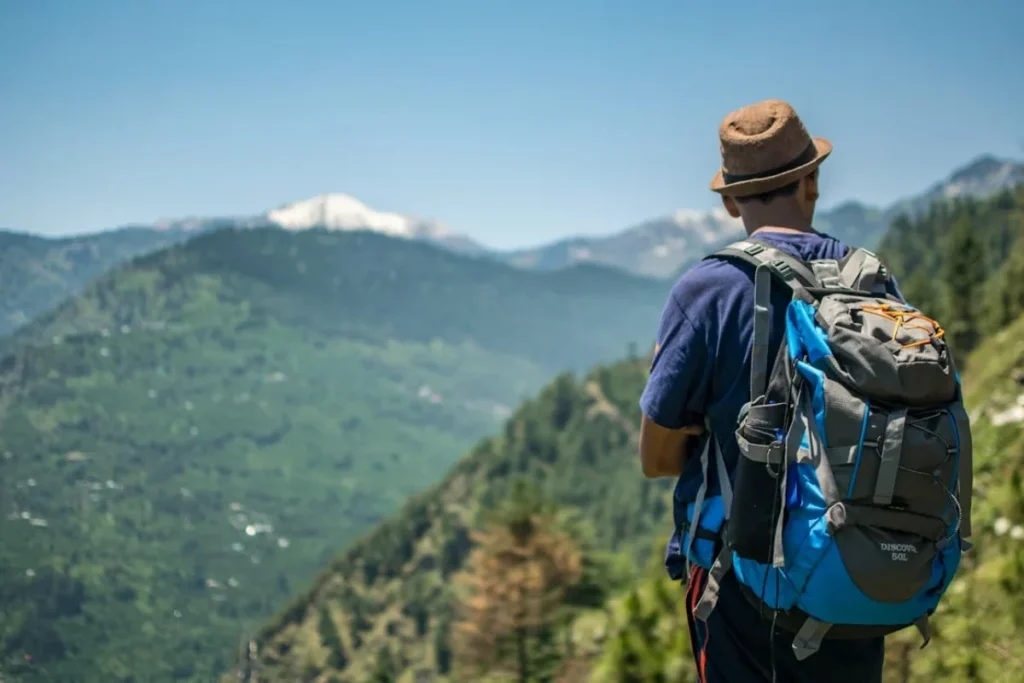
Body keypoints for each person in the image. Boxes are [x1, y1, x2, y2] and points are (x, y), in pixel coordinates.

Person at [638, 99, 900, 682]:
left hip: (744, 585)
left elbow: (655, 461)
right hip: (856, 573)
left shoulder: (706, 291)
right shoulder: (873, 284)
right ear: (812, 181)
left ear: (730, 200)